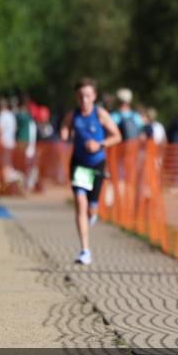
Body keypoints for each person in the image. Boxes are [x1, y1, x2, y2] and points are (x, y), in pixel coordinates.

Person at [60, 78, 122, 265]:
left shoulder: (100, 114)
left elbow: (117, 136)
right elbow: (65, 127)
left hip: (97, 164)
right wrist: (64, 133)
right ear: (76, 97)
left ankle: (92, 215)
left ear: (94, 96)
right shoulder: (73, 115)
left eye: (88, 95)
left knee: (91, 208)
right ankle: (85, 250)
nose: (84, 99)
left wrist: (99, 144)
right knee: (80, 202)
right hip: (79, 165)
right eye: (80, 96)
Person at [0, 98, 17, 181]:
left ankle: (7, 182)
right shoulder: (11, 115)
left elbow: (1, 130)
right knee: (9, 162)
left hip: (4, 143)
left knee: (4, 163)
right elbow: (15, 128)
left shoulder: (2, 116)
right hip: (11, 142)